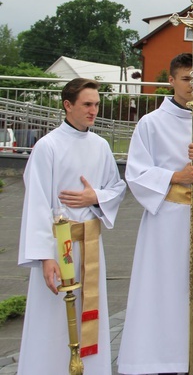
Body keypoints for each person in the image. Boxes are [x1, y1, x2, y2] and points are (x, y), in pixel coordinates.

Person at [118, 53, 193, 375]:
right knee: (162, 290)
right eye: (185, 79)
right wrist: (175, 176)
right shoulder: (151, 124)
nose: (192, 86)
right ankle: (158, 359)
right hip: (165, 219)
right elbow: (136, 173)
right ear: (171, 80)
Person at [17, 78, 126, 375]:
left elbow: (116, 188)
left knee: (89, 316)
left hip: (90, 245)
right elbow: (37, 203)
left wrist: (96, 196)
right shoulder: (48, 146)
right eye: (87, 104)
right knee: (53, 321)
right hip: (59, 248)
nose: (93, 111)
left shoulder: (100, 145)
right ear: (68, 105)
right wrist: (45, 256)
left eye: (96, 105)